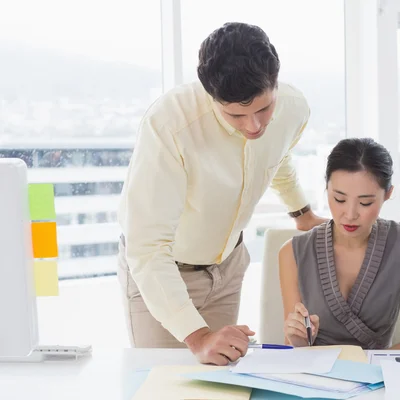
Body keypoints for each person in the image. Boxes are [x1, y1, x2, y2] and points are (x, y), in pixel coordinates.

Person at [117, 22, 326, 365]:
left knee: (223, 383)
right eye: (236, 115)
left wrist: (301, 212)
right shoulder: (170, 125)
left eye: (263, 109)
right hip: (161, 273)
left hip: (228, 266)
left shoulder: (294, 108)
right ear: (211, 96)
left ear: (275, 84)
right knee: (164, 384)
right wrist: (197, 337)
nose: (253, 126)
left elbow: (278, 156)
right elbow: (147, 247)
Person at [278, 138, 400, 350]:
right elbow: (291, 346)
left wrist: (370, 369)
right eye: (339, 199)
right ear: (326, 189)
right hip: (315, 375)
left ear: (388, 194)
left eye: (365, 202)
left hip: (380, 376)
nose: (350, 214)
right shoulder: (292, 253)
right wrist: (299, 341)